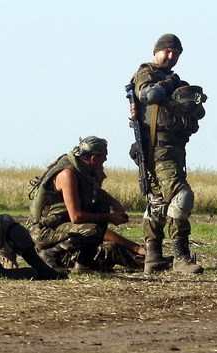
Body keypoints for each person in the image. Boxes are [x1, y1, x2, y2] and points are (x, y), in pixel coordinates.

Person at [129, 33, 206, 274]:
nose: (171, 56)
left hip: (173, 147)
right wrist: (170, 85)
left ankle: (153, 257)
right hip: (157, 148)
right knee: (182, 195)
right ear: (157, 51)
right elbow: (147, 95)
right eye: (167, 51)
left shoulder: (172, 79)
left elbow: (197, 112)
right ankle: (181, 256)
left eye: (176, 53)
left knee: (158, 202)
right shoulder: (147, 73)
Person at [27, 136, 145, 273]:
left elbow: (95, 190)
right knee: (92, 231)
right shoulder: (68, 174)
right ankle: (57, 257)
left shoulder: (81, 170)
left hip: (59, 224)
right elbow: (76, 217)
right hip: (44, 230)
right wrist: (109, 217)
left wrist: (114, 203)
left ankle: (82, 262)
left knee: (100, 210)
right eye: (104, 156)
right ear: (94, 159)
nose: (106, 160)